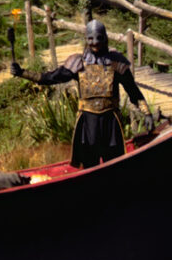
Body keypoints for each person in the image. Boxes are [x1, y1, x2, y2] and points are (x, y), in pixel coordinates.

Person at [29, 18, 147, 168]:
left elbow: (133, 90)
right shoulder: (78, 63)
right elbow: (53, 77)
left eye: (99, 38)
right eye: (91, 38)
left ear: (105, 38)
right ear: (86, 39)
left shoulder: (116, 63)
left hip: (110, 122)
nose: (95, 42)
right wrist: (25, 74)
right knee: (89, 163)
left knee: (115, 163)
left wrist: (146, 112)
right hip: (87, 122)